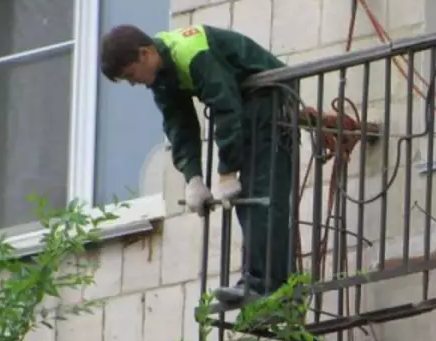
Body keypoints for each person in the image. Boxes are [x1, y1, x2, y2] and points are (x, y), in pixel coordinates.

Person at [99, 23, 296, 308]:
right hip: (249, 101)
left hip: (270, 94)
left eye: (130, 75)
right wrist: (193, 178)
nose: (134, 83)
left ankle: (272, 287)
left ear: (145, 54)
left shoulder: (192, 53)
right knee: (250, 199)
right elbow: (179, 126)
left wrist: (226, 171)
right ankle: (258, 282)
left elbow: (226, 108)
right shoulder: (162, 74)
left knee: (262, 194)